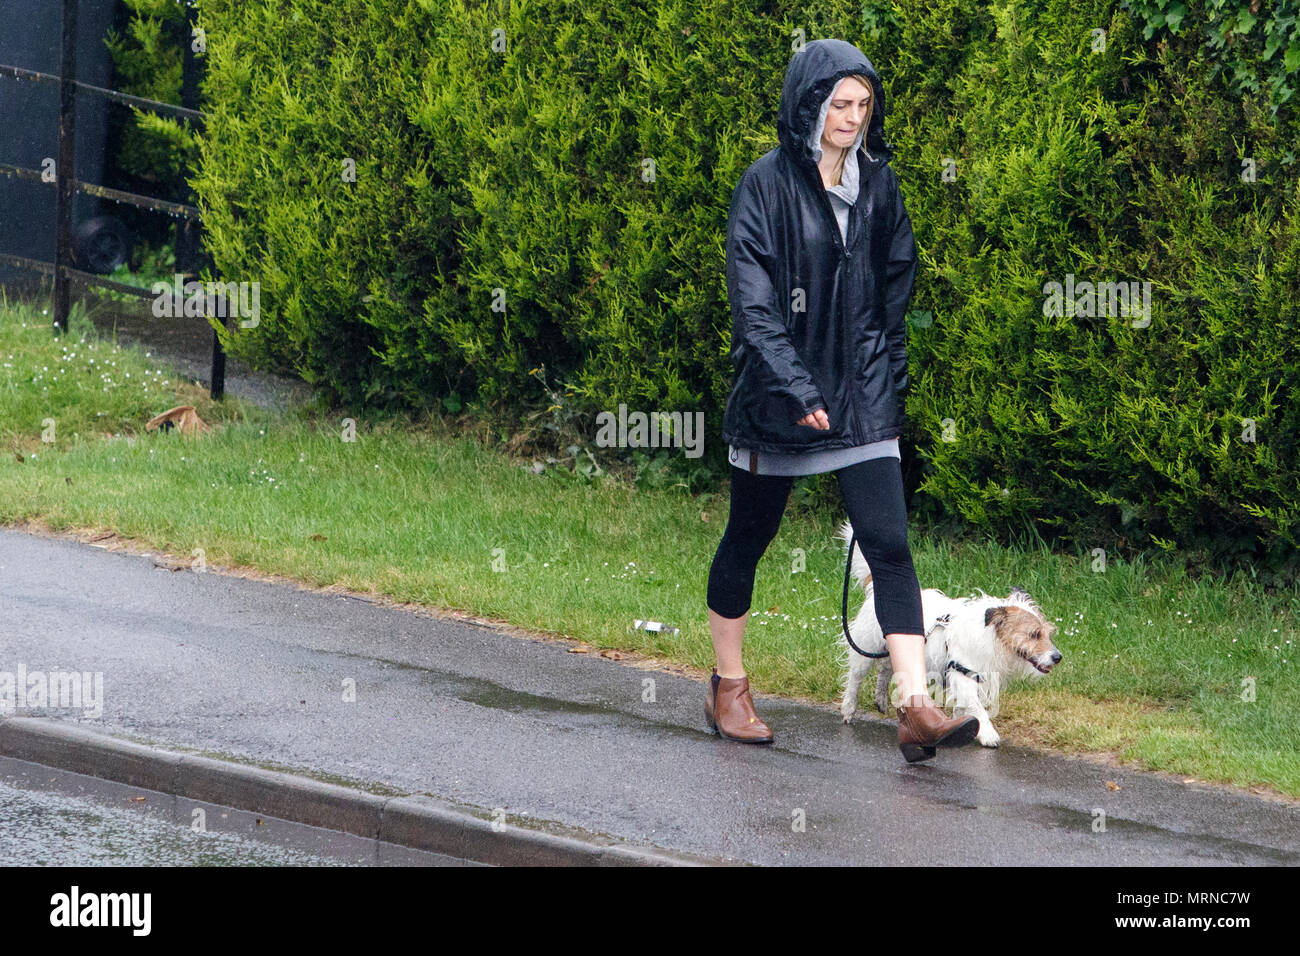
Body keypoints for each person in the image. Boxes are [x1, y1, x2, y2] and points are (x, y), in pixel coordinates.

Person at [704, 38, 979, 762]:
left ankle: (916, 706)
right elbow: (754, 306)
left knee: (889, 546)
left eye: (862, 105)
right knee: (748, 539)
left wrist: (887, 376)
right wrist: (797, 386)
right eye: (838, 106)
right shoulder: (763, 185)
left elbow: (896, 286)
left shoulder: (880, 183)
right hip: (777, 398)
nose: (852, 119)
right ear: (808, 106)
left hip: (861, 398)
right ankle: (728, 685)